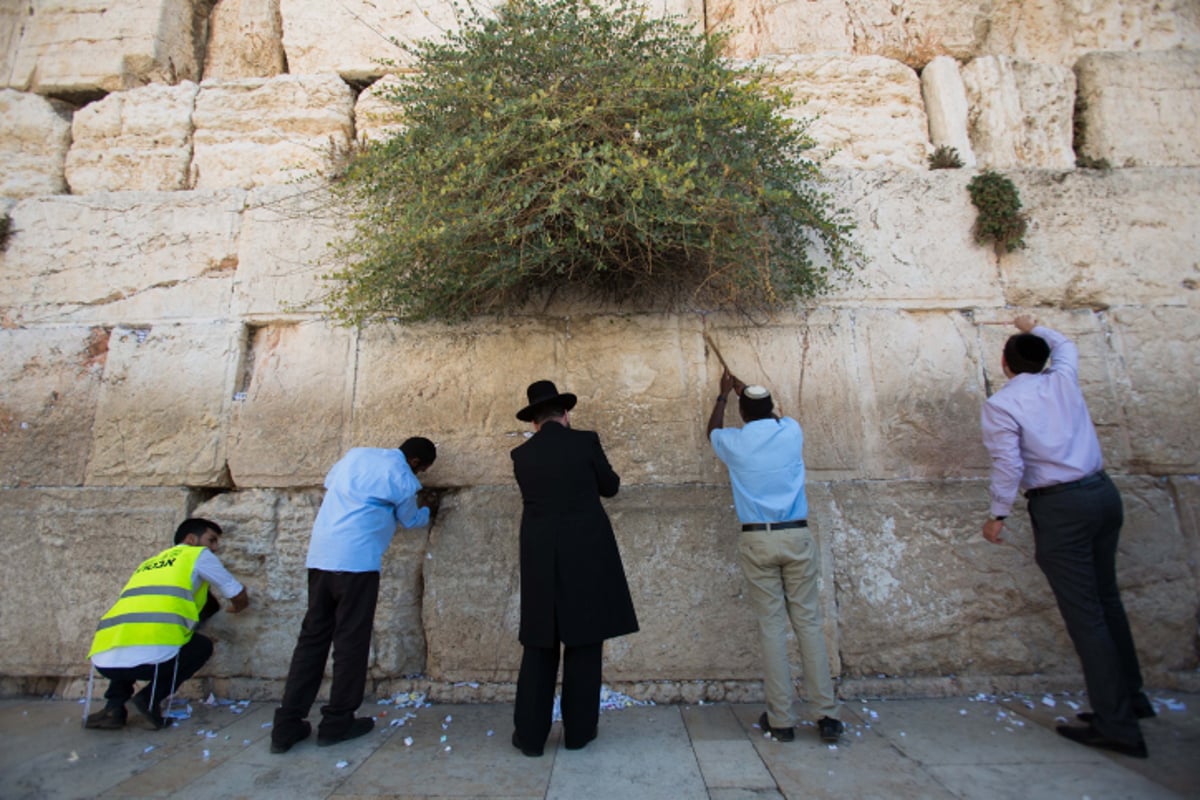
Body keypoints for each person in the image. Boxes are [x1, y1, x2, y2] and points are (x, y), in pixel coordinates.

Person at [980, 315, 1152, 758]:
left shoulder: (1003, 405)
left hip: (1062, 507)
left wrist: (999, 512)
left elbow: (1009, 464)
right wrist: (1035, 325)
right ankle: (1130, 699)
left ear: (1005, 363)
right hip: (1102, 494)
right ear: (1043, 359)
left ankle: (1118, 725)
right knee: (1107, 600)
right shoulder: (1063, 379)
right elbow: (1067, 345)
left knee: (1086, 616)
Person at [271, 438, 437, 754]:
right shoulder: (402, 477)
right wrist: (429, 508)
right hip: (357, 564)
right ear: (415, 461)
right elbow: (411, 520)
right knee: (350, 642)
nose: (423, 475)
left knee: (312, 640)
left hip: (321, 557)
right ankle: (337, 721)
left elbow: (330, 482)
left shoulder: (356, 455)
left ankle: (286, 724)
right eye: (425, 469)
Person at [707, 369, 842, 744]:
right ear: (770, 409)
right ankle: (826, 715)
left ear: (743, 414)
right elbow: (774, 415)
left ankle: (781, 720)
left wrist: (723, 396)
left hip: (758, 540)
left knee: (771, 628)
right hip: (796, 534)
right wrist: (747, 391)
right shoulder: (791, 431)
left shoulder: (734, 441)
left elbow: (711, 433)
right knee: (809, 625)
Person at [510, 380, 639, 756]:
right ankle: (580, 733)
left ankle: (531, 737)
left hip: (539, 557)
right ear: (565, 415)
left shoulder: (521, 455)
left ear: (534, 422)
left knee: (539, 643)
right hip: (585, 553)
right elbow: (610, 486)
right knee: (584, 640)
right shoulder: (585, 441)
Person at [85, 518, 249, 731]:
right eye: (212, 540)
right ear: (191, 539)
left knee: (132, 640)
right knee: (201, 647)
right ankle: (148, 699)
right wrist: (238, 607)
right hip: (152, 661)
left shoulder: (149, 564)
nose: (215, 548)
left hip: (104, 659)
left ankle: (113, 708)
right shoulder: (197, 554)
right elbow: (235, 592)